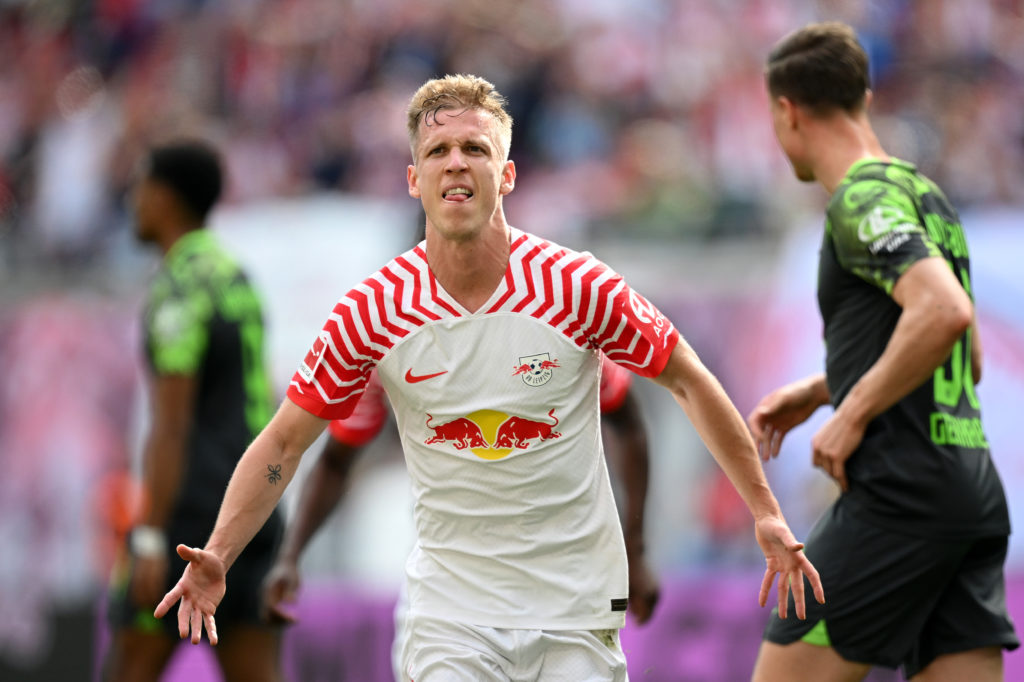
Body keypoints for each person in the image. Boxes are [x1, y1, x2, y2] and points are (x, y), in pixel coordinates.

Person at [155, 74, 822, 681]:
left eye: (474, 149)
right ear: (413, 179)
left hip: (574, 610)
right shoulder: (372, 311)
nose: (455, 163)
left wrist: (763, 512)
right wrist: (220, 549)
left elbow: (688, 381)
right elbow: (285, 443)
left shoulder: (577, 286)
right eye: (437, 151)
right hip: (452, 618)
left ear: (505, 175)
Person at [749, 22, 1019, 682]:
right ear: (864, 97)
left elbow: (944, 313)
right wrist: (825, 387)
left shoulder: (862, 199)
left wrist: (850, 413)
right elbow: (967, 354)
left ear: (787, 111)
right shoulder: (929, 199)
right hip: (968, 491)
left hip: (898, 494)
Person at [261, 357, 662, 676]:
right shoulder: (388, 329)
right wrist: (290, 554)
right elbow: (335, 459)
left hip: (564, 594)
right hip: (452, 604)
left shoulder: (551, 311)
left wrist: (635, 550)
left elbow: (627, 421)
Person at [103, 140, 284, 682]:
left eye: (140, 187)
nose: (133, 201)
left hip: (191, 515)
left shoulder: (180, 287)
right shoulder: (237, 277)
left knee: (130, 666)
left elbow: (173, 422)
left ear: (164, 198)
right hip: (256, 503)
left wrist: (151, 535)